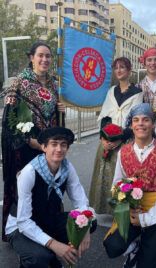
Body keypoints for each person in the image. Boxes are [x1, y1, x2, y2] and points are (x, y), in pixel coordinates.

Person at [5, 127, 95, 268]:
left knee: (88, 222)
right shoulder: (29, 172)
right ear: (44, 147)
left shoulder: (67, 167)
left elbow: (80, 200)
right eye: (54, 144)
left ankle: (52, 251)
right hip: (20, 226)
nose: (59, 149)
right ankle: (33, 256)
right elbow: (23, 222)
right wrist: (55, 245)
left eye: (63, 145)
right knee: (39, 257)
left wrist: (85, 229)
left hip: (47, 218)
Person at [1, 41, 65, 241]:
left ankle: (43, 229)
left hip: (49, 148)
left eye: (48, 56)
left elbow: (52, 114)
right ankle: (21, 231)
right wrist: (31, 141)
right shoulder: (20, 81)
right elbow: (10, 118)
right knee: (26, 190)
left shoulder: (54, 83)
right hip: (26, 148)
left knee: (47, 188)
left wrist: (59, 110)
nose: (45, 60)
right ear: (32, 58)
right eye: (40, 55)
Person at [103, 103, 156, 268]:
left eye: (146, 120)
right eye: (136, 120)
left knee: (149, 264)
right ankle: (135, 247)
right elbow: (117, 182)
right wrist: (128, 208)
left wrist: (145, 219)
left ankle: (143, 251)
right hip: (132, 210)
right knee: (112, 247)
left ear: (153, 124)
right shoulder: (124, 151)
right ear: (131, 125)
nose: (141, 124)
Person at [89, 57, 143, 217]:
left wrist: (119, 139)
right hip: (108, 139)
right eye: (116, 68)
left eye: (123, 67)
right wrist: (104, 139)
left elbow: (136, 121)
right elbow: (105, 117)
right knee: (103, 172)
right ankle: (104, 208)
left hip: (126, 140)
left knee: (123, 175)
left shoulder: (137, 93)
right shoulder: (111, 91)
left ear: (129, 70)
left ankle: (121, 211)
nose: (119, 70)